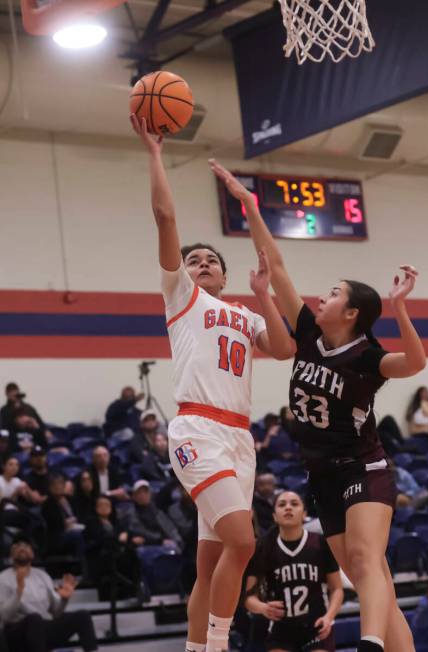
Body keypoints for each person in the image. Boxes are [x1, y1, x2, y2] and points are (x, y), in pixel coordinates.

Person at [210, 159, 427, 652]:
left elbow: (415, 363)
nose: (321, 297)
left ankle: (369, 644)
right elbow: (277, 264)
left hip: (364, 466)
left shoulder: (368, 357)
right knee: (374, 582)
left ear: (351, 313)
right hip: (321, 476)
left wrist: (400, 307)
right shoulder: (308, 331)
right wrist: (248, 206)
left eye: (333, 293)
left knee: (368, 562)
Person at [130, 113, 295, 652]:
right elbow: (163, 216)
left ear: (224, 276)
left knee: (210, 563)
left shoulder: (246, 316)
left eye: (210, 260)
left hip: (239, 440)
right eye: (193, 259)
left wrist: (265, 293)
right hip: (198, 428)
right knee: (243, 541)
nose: (200, 263)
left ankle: (195, 646)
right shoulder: (182, 296)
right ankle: (220, 644)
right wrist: (155, 153)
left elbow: (288, 349)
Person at [245, 491, 344, 652]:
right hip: (281, 631)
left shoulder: (320, 544)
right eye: (282, 505)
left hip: (316, 627)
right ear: (274, 516)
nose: (288, 508)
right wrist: (263, 608)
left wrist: (329, 617)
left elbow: (337, 589)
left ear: (304, 514)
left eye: (294, 504)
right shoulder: (263, 548)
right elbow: (248, 597)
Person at [0, 536, 98, 652]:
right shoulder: (3, 578)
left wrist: (64, 599)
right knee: (34, 619)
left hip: (43, 627)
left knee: (83, 616)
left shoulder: (42, 575)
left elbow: (55, 612)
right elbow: (4, 616)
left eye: (26, 546)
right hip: (17, 632)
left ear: (33, 553)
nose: (22, 548)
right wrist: (19, 592)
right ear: (11, 555)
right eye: (17, 546)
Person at [84, 494, 140, 600]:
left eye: (107, 505)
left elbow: (126, 533)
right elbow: (101, 538)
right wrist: (118, 538)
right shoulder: (92, 522)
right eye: (101, 505)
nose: (105, 507)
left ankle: (135, 590)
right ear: (96, 508)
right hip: (101, 555)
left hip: (117, 553)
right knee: (126, 556)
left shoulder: (115, 522)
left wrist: (128, 537)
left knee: (133, 554)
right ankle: (132, 590)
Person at [122, 479, 182, 550]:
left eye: (146, 492)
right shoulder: (131, 512)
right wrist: (160, 540)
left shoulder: (157, 511)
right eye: (139, 492)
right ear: (134, 496)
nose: (143, 495)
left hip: (166, 542)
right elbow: (140, 530)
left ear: (150, 493)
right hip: (150, 544)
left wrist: (177, 540)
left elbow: (169, 527)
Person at [41, 473, 86, 558]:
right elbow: (53, 523)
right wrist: (66, 523)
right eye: (54, 484)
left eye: (60, 483)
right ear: (50, 487)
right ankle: (79, 565)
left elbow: (80, 515)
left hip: (76, 527)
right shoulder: (48, 504)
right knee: (77, 535)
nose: (58, 486)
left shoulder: (71, 499)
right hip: (58, 536)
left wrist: (74, 521)